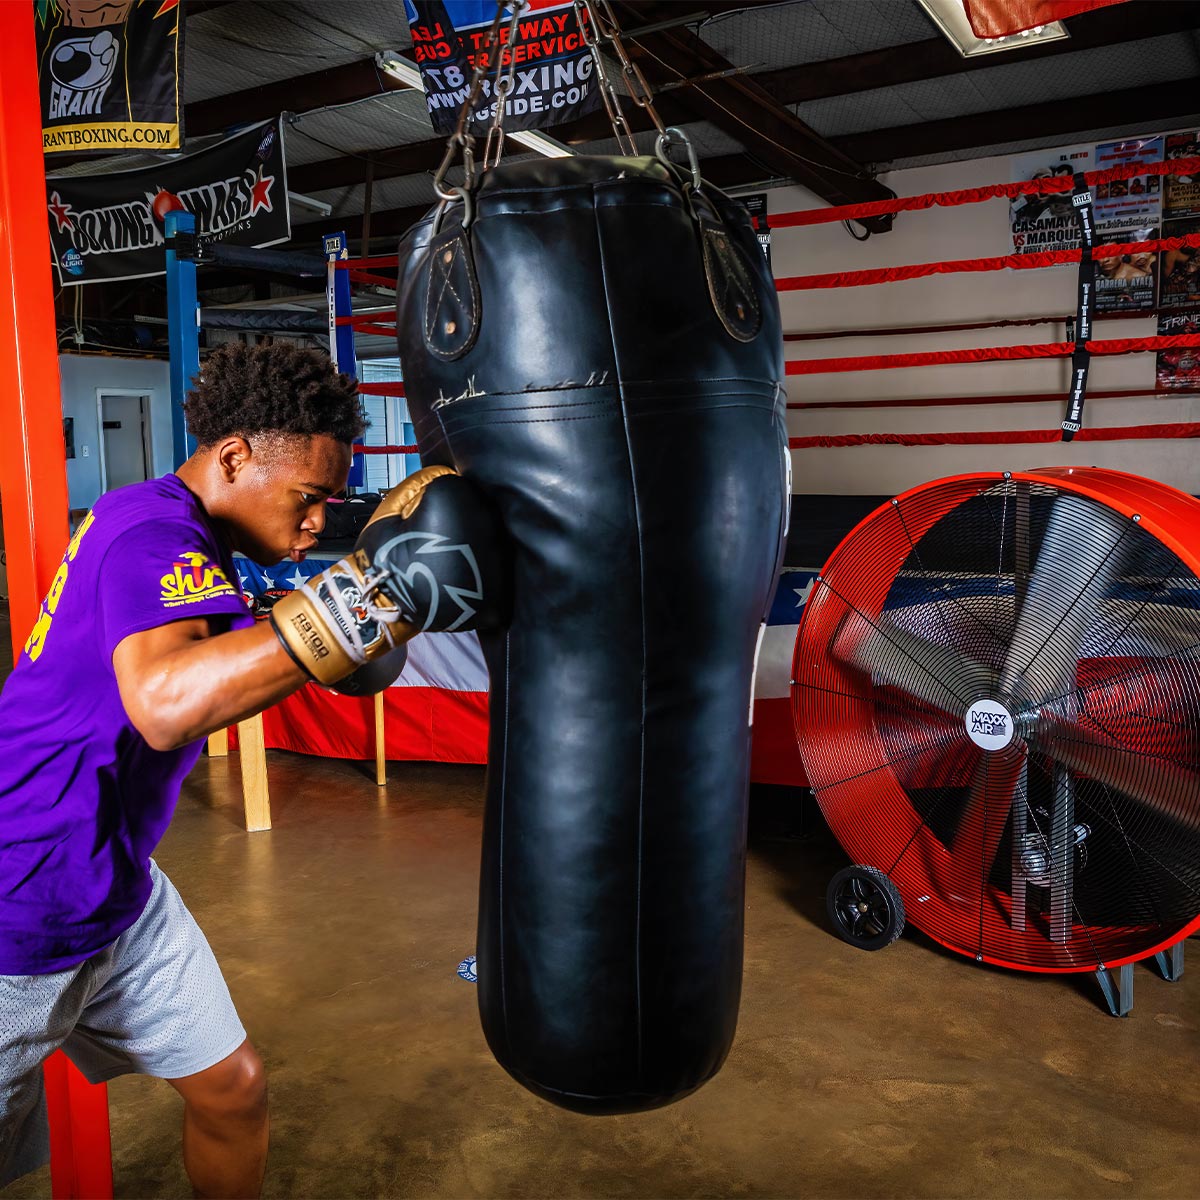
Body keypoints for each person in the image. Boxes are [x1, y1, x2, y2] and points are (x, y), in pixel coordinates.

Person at [0, 342, 488, 1196]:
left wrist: (354, 621)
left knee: (233, 1090)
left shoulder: (190, 543)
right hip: (21, 894)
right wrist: (371, 598)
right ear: (233, 457)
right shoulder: (150, 530)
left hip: (118, 887)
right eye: (309, 498)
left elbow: (275, 653)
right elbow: (164, 704)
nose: (316, 522)